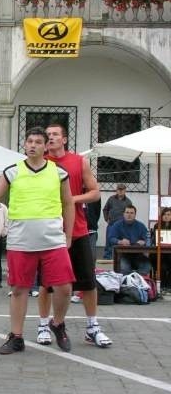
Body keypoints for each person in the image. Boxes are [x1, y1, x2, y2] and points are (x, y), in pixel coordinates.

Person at [0, 127, 74, 354]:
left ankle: (58, 323)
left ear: (46, 146)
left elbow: (68, 203)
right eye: (29, 141)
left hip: (52, 239)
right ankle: (16, 337)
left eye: (38, 142)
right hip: (20, 240)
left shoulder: (59, 172)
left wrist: (68, 235)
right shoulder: (12, 172)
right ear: (25, 145)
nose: (33, 145)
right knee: (19, 289)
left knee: (64, 288)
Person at [37, 124, 112, 348]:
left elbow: (95, 192)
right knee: (46, 283)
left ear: (65, 139)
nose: (51, 138)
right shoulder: (40, 163)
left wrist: (72, 200)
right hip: (49, 232)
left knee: (88, 282)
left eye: (55, 135)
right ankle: (43, 324)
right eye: (47, 135)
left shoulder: (78, 161)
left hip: (77, 230)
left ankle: (92, 327)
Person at [108, 205, 151, 275]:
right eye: (127, 212)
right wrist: (120, 242)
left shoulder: (141, 226)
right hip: (122, 255)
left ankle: (136, 280)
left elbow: (148, 238)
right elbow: (110, 238)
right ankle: (129, 282)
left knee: (147, 267)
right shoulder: (117, 225)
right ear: (123, 214)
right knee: (125, 269)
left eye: (131, 213)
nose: (129, 215)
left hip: (138, 255)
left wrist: (144, 242)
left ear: (135, 215)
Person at [103, 183, 133, 259]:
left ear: (125, 190)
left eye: (122, 190)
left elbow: (130, 213)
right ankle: (107, 259)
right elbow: (105, 209)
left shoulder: (128, 202)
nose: (120, 191)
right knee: (109, 242)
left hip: (122, 226)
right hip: (111, 225)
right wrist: (106, 219)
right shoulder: (111, 199)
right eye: (119, 189)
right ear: (116, 190)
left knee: (121, 243)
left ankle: (120, 259)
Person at [151, 207, 171, 292]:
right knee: (160, 264)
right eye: (164, 214)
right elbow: (155, 240)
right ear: (161, 216)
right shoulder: (157, 225)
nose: (166, 216)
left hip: (169, 252)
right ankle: (162, 285)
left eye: (169, 215)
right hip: (160, 252)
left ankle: (169, 285)